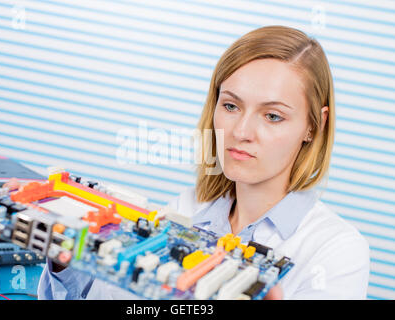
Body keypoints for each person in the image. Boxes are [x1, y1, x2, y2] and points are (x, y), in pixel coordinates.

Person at [37, 25, 370, 300]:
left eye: (272, 116)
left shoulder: (338, 251)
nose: (241, 131)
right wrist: (69, 260)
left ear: (314, 125)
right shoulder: (185, 208)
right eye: (230, 106)